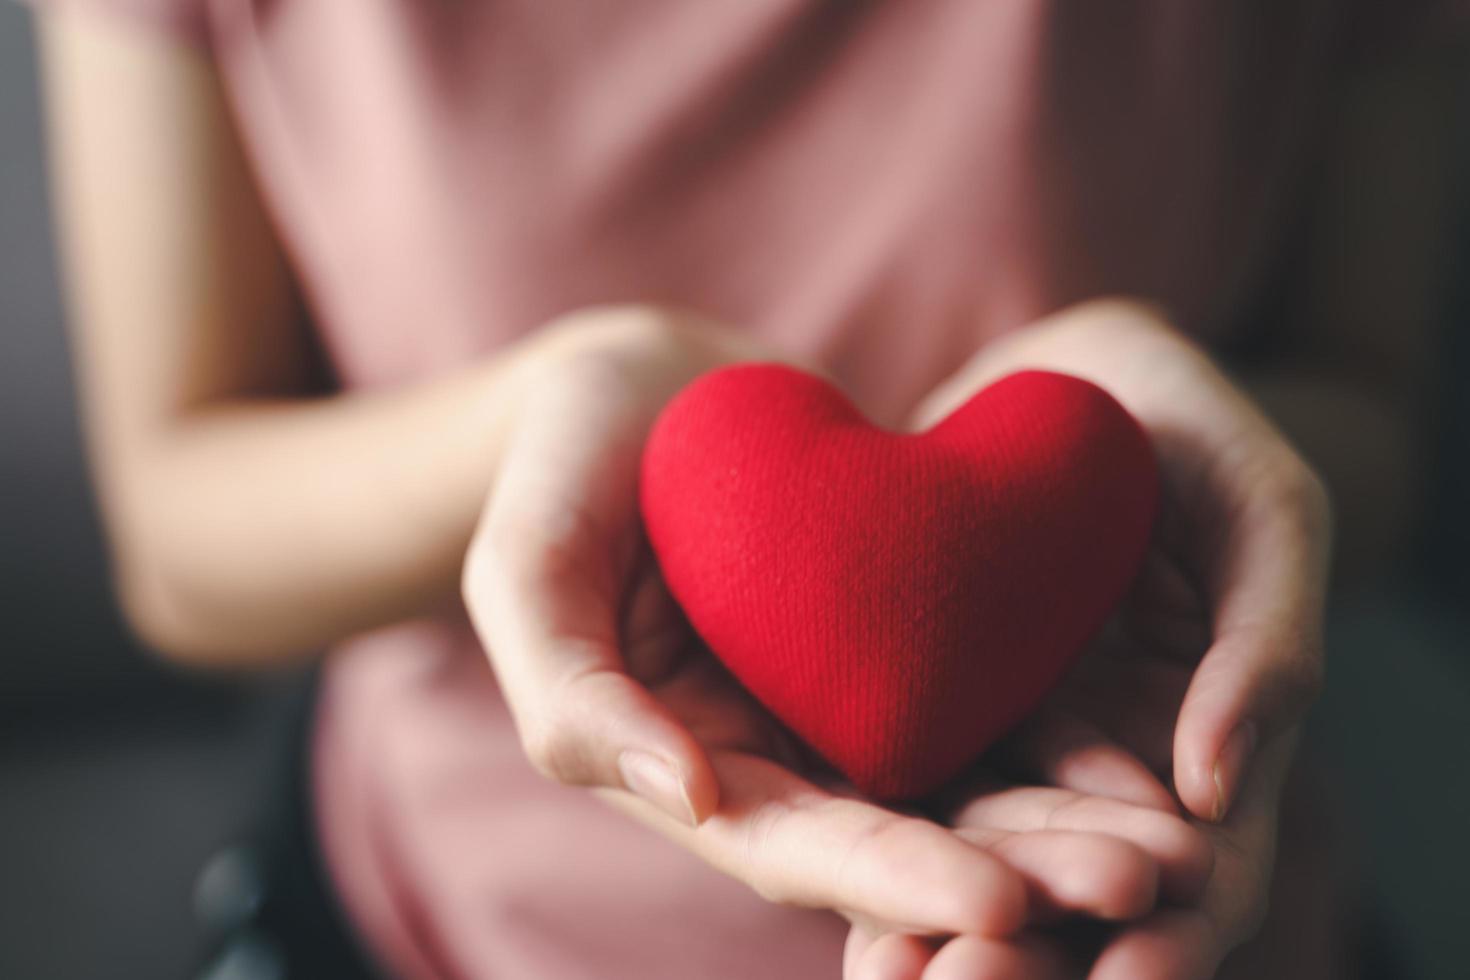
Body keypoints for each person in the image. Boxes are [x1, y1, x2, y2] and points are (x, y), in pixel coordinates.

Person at [28, 1, 1460, 977]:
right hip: (440, 927)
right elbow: (173, 528)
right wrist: (536, 428)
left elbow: (1368, 410)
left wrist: (1195, 465)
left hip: (1151, 894)